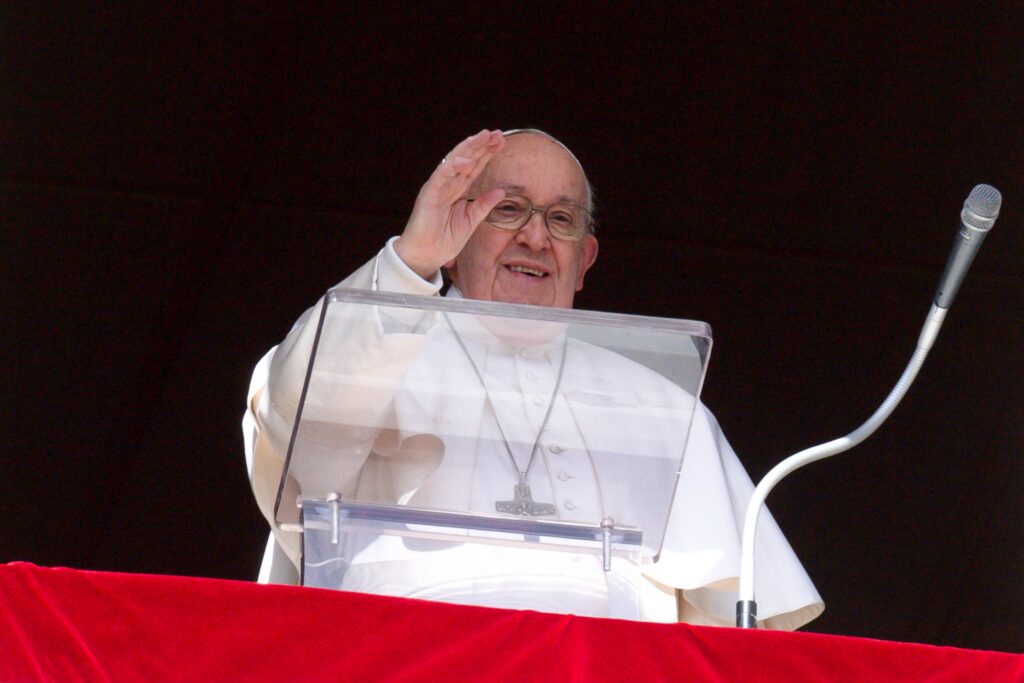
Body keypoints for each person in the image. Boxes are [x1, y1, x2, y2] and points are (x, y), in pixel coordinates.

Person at [243, 129, 823, 629]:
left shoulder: (664, 410)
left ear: (586, 257)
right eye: (507, 209)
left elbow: (737, 627)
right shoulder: (376, 342)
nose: (536, 237)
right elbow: (297, 419)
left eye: (561, 220)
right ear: (454, 237)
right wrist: (409, 260)